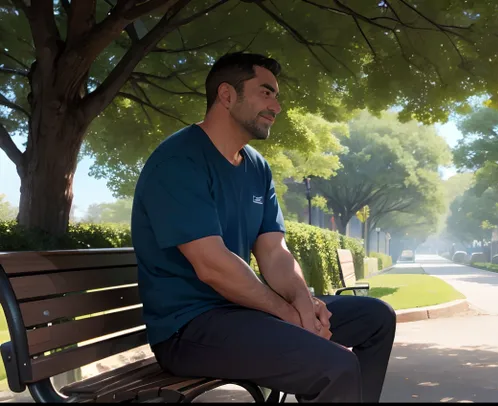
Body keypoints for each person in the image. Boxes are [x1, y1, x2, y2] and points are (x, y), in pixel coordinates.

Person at [131, 52, 396, 403]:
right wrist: (289, 316)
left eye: (276, 95)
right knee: (336, 365)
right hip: (188, 329)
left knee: (376, 317)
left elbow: (274, 251)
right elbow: (212, 266)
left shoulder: (257, 167)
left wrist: (303, 301)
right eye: (266, 92)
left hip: (242, 314)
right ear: (226, 95)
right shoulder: (179, 161)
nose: (277, 105)